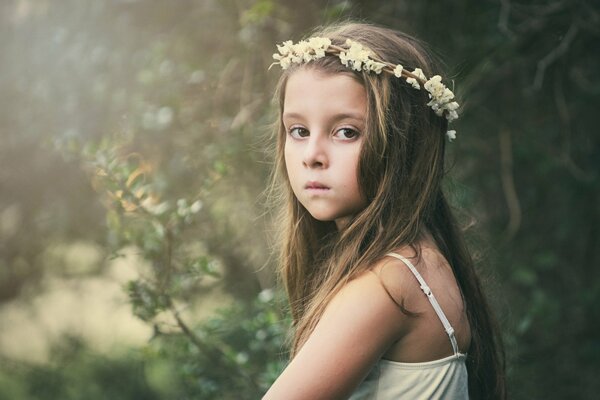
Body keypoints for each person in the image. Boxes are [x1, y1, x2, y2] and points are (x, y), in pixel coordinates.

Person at [262, 22, 506, 400]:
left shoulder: (386, 284)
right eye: (298, 130)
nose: (312, 156)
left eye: (346, 132)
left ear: (403, 143)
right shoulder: (420, 259)